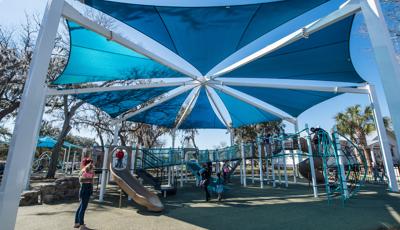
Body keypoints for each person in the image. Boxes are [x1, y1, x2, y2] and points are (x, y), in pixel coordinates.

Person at [74, 158, 94, 229]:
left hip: (85, 189)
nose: (92, 164)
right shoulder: (85, 171)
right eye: (91, 163)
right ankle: (81, 225)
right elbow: (81, 179)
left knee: (81, 207)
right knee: (83, 207)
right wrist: (90, 179)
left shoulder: (87, 171)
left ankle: (77, 223)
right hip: (84, 189)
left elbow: (90, 182)